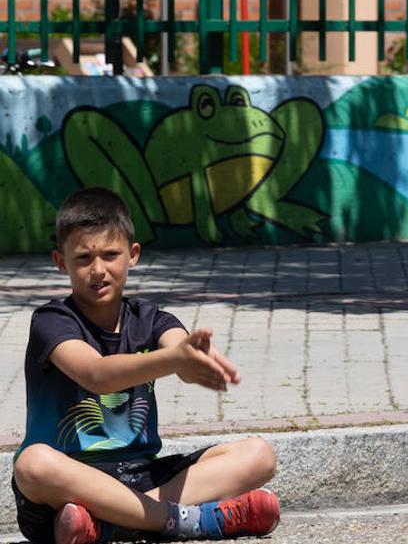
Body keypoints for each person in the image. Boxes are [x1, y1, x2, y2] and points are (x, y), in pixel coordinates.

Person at [12, 187, 280, 544]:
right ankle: (194, 520)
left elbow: (181, 357)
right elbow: (97, 375)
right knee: (33, 464)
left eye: (110, 255)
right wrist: (173, 359)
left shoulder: (153, 319)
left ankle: (112, 525)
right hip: (71, 482)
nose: (98, 270)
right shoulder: (52, 321)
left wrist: (191, 360)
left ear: (133, 255)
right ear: (61, 262)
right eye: (83, 259)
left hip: (143, 476)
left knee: (259, 455)